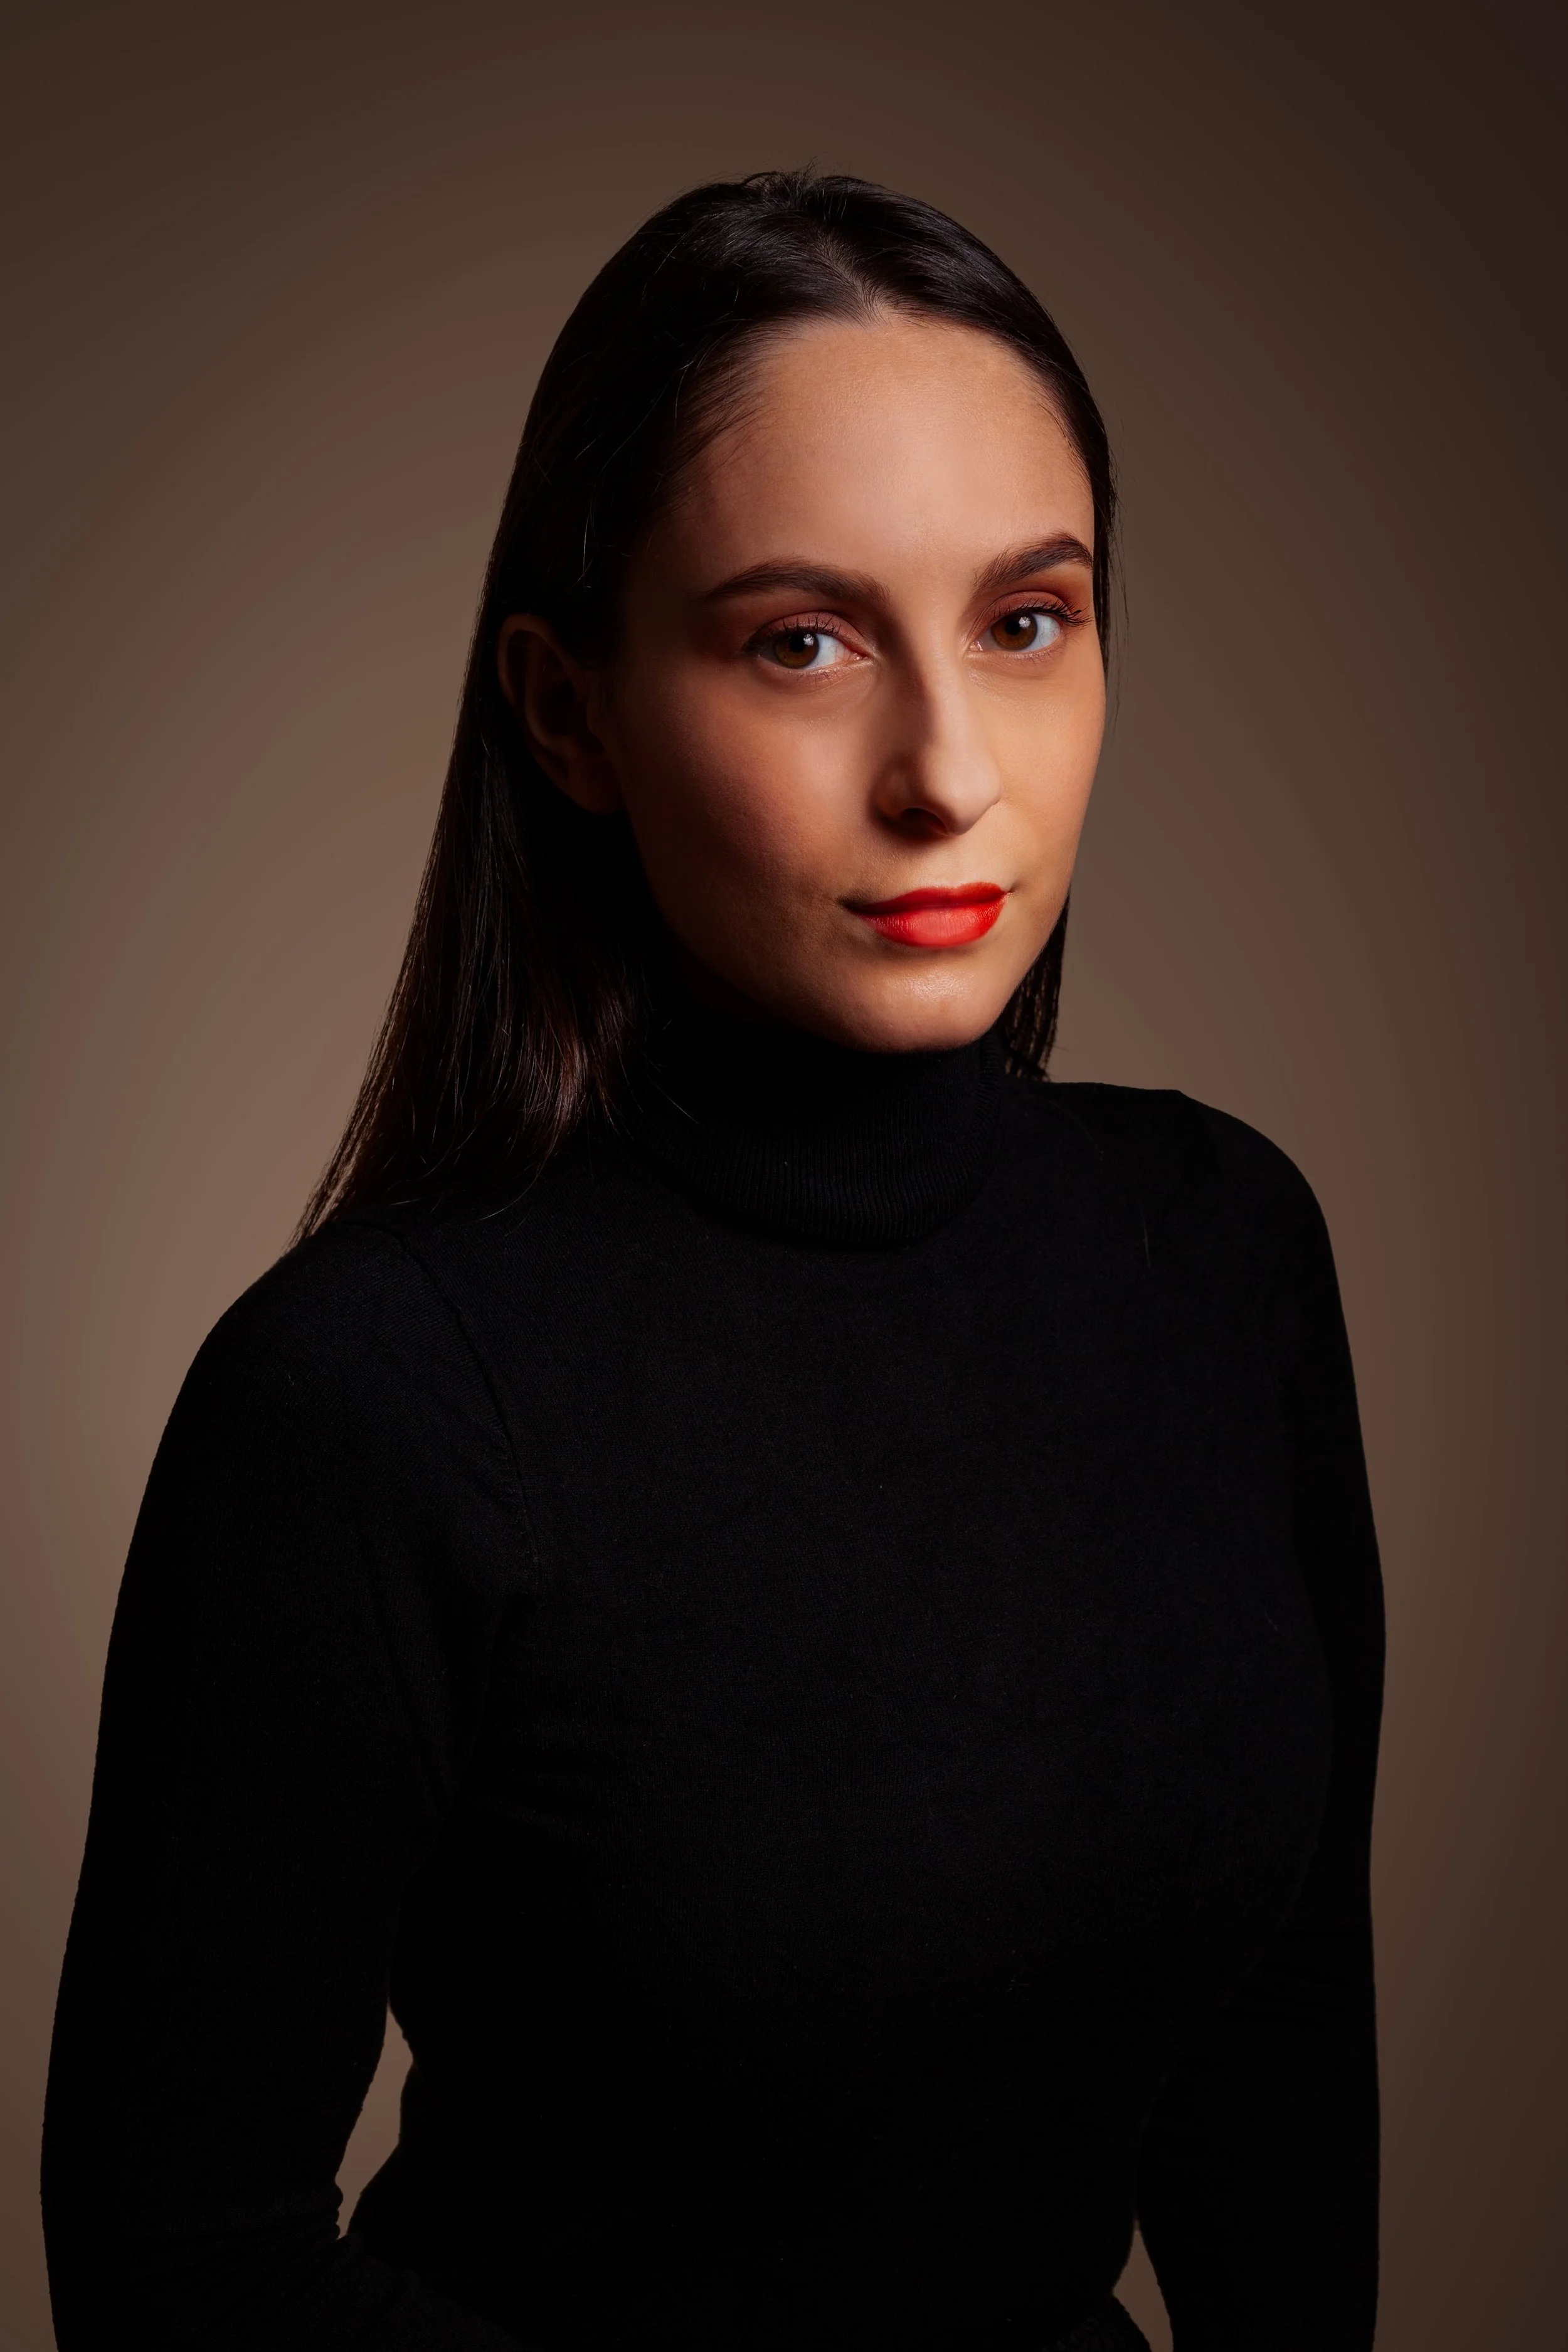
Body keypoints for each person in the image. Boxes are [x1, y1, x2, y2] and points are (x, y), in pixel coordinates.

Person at [41, 171, 1384, 2352]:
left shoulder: (1223, 1250)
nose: (948, 773)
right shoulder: (367, 1398)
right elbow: (183, 2260)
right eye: (802, 641)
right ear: (567, 714)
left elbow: (1277, 2031)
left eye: (1026, 620)